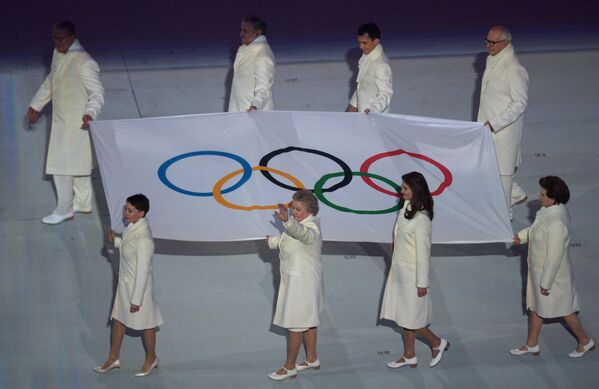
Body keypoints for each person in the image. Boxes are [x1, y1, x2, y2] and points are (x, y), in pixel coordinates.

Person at [28, 20, 105, 225]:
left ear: (72, 37)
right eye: (54, 38)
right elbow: (52, 80)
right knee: (79, 165)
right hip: (62, 120)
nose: (56, 42)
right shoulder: (58, 52)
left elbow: (97, 93)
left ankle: (64, 210)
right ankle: (82, 204)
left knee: (61, 167)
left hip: (77, 123)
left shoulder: (85, 62)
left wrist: (90, 113)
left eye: (60, 38)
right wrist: (36, 105)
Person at [511, 176, 594, 358]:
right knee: (536, 307)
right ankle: (532, 344)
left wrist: (546, 283)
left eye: (542, 194)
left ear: (553, 197)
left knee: (565, 311)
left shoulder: (557, 222)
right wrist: (522, 236)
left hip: (552, 278)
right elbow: (536, 229)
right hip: (540, 273)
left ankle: (585, 341)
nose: (539, 196)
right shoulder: (548, 210)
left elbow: (554, 257)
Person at [380, 172, 449, 368]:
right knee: (404, 314)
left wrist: (422, 283)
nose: (401, 191)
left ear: (415, 191)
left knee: (413, 319)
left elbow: (423, 254)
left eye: (405, 188)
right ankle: (409, 354)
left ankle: (437, 343)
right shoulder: (406, 209)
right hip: (399, 271)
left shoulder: (422, 220)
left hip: (412, 276)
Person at [94, 194, 164, 376]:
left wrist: (136, 300)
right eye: (126, 208)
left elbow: (142, 272)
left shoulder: (144, 240)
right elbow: (128, 248)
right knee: (118, 319)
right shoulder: (133, 227)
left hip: (137, 291)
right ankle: (113, 358)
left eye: (130, 210)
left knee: (147, 324)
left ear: (141, 213)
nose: (125, 213)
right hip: (124, 286)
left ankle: (151, 359)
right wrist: (116, 241)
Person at [266, 190, 324, 381]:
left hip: (302, 284)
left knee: (295, 326)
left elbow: (303, 236)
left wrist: (287, 221)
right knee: (308, 321)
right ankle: (312, 358)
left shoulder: (311, 227)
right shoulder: (299, 223)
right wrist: (271, 241)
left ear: (309, 210)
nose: (293, 213)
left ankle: (289, 366)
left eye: (297, 210)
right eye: (293, 209)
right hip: (301, 280)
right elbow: (290, 240)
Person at [477, 26, 529, 219]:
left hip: (503, 132)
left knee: (502, 174)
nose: (488, 46)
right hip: (488, 128)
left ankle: (505, 220)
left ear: (505, 43)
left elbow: (520, 103)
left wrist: (495, 123)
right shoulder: (493, 60)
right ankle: (516, 194)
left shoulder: (515, 68)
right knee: (487, 168)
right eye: (487, 41)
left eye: (493, 43)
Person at [228, 15, 275, 112]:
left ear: (257, 33)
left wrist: (255, 106)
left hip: (253, 114)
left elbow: (263, 87)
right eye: (241, 30)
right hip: (242, 111)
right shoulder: (249, 50)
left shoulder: (262, 56)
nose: (241, 34)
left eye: (245, 31)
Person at [347, 22, 393, 114]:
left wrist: (373, 110)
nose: (361, 46)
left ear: (376, 41)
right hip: (362, 112)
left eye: (364, 43)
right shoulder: (366, 56)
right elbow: (362, 84)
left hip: (374, 116)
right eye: (360, 42)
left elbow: (386, 93)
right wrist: (353, 104)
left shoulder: (382, 65)